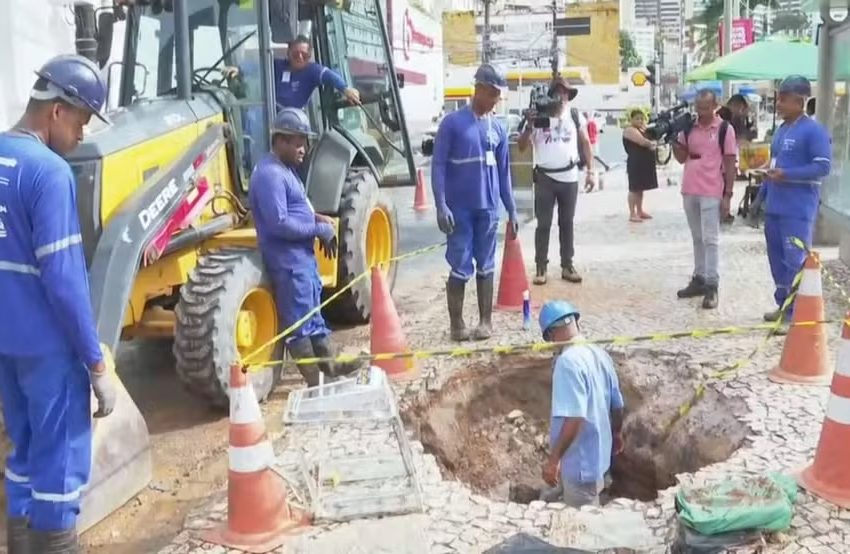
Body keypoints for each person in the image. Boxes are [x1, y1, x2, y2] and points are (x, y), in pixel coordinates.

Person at [0, 54, 117, 552]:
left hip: (6, 346)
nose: (83, 135)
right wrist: (95, 363)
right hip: (49, 348)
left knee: (24, 454)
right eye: (82, 121)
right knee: (60, 468)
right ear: (57, 111)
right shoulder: (48, 173)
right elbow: (66, 282)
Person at [249, 107, 357, 386]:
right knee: (300, 325)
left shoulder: (285, 170)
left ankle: (331, 369)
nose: (304, 148)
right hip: (289, 264)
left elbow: (297, 210)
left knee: (313, 318)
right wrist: (318, 229)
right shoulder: (270, 174)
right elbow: (280, 223)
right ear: (280, 140)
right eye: (298, 142)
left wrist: (317, 218)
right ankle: (316, 383)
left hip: (302, 262)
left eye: (305, 142)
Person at [431, 63, 518, 342]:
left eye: (497, 95)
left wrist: (512, 210)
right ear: (478, 88)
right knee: (460, 264)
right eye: (491, 93)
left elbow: (504, 173)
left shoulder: (499, 129)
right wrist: (440, 205)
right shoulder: (452, 123)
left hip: (489, 209)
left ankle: (485, 322)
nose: (495, 99)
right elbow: (438, 167)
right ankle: (457, 324)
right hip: (460, 210)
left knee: (487, 264)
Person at [538, 300, 625, 508]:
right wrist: (617, 434)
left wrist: (553, 460)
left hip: (581, 466)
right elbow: (617, 404)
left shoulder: (566, 362)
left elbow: (575, 417)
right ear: (576, 323)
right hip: (600, 456)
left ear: (551, 334)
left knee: (583, 522)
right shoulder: (599, 353)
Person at [760, 76, 831, 323]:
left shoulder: (814, 131)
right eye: (778, 98)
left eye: (783, 99)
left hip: (797, 209)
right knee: (776, 259)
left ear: (799, 101)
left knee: (794, 260)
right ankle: (783, 305)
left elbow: (822, 167)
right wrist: (761, 196)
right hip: (774, 207)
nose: (777, 103)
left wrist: (787, 175)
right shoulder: (781, 130)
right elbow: (776, 164)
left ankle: (796, 312)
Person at [517, 77, 595, 285]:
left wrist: (591, 171)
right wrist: (529, 125)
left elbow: (586, 143)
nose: (562, 96)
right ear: (551, 95)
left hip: (569, 177)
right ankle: (541, 266)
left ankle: (567, 265)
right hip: (545, 178)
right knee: (543, 224)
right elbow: (522, 146)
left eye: (566, 93)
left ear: (569, 96)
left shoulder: (575, 116)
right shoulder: (538, 115)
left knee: (566, 223)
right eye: (558, 92)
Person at [672, 90, 737, 310]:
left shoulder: (725, 129)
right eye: (698, 107)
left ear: (715, 105)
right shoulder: (689, 127)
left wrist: (728, 194)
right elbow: (681, 158)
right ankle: (699, 278)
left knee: (711, 239)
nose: (701, 112)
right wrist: (674, 139)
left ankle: (712, 284)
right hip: (690, 188)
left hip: (712, 189)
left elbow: (730, 162)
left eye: (705, 107)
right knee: (697, 237)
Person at [273, 35, 360, 109]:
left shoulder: (312, 71)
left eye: (304, 55)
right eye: (296, 53)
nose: (300, 57)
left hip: (293, 118)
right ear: (288, 52)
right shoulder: (276, 65)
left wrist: (346, 90)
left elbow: (330, 76)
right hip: (268, 113)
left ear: (309, 56)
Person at [622, 108, 658, 222]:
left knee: (640, 188)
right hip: (635, 163)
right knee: (634, 188)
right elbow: (642, 142)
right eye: (637, 118)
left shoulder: (643, 129)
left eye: (642, 118)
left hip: (643, 162)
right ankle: (632, 213)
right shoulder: (629, 130)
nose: (640, 120)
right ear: (631, 119)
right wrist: (652, 143)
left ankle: (640, 210)